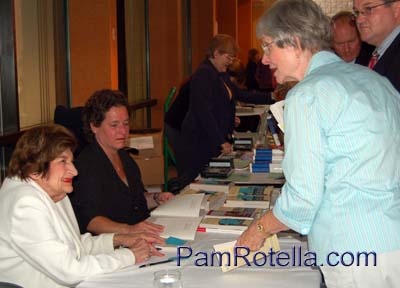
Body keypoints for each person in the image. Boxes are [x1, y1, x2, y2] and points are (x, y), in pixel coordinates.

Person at [236, 1, 400, 287]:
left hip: (354, 251)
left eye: (268, 46)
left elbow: (302, 200)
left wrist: (259, 228)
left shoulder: (307, 95)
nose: (264, 59)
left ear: (295, 42)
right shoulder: (376, 81)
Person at [0, 125, 162, 288]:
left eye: (71, 161)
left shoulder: (51, 188)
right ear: (34, 168)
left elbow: (74, 245)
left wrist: (119, 240)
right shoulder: (25, 205)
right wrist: (130, 256)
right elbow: (70, 271)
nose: (75, 171)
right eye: (63, 161)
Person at [173, 34, 274, 192]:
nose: (231, 61)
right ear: (216, 53)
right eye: (228, 57)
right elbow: (203, 112)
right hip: (199, 139)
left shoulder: (220, 73)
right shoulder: (204, 74)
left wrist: (270, 97)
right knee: (195, 182)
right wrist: (221, 141)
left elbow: (239, 94)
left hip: (209, 137)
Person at [70, 89, 174, 236]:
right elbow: (90, 220)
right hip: (115, 245)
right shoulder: (85, 167)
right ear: (94, 126)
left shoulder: (125, 157)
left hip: (141, 234)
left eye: (125, 123)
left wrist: (157, 198)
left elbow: (136, 199)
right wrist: (129, 230)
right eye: (114, 125)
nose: (123, 131)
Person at [354, 0, 400, 92]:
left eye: (368, 9)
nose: (359, 20)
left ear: (396, 9)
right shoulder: (367, 55)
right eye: (356, 12)